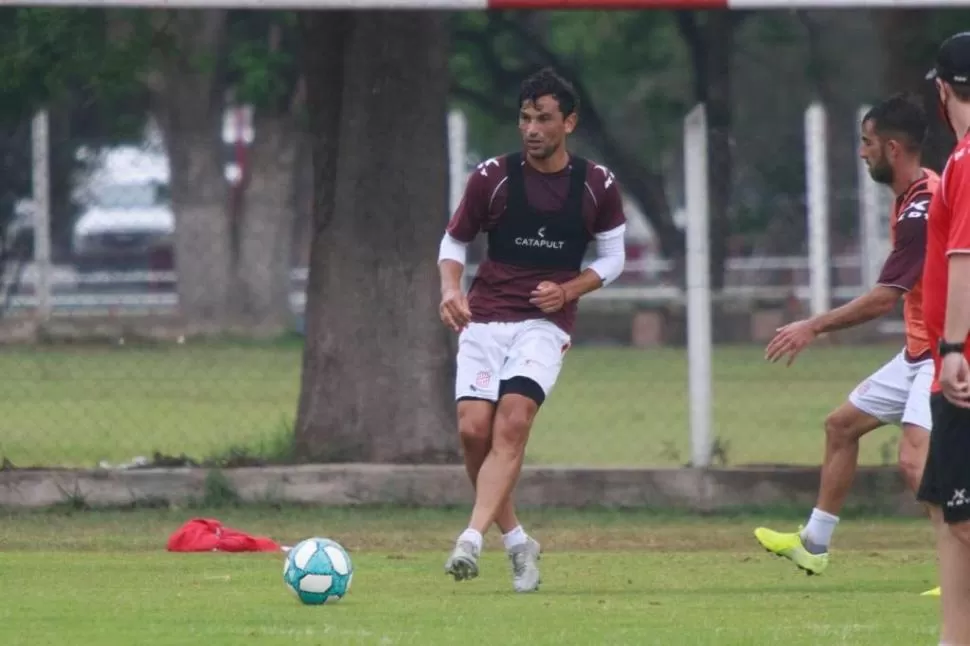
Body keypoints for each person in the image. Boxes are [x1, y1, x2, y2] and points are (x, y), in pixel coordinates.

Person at [436, 67, 626, 593]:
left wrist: (569, 290)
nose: (532, 128)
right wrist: (451, 290)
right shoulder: (492, 177)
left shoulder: (597, 185)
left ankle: (470, 539)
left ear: (569, 121)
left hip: (543, 325)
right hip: (484, 317)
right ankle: (518, 541)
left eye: (544, 118)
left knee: (512, 424)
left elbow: (613, 259)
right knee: (474, 431)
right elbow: (454, 243)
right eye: (525, 118)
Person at [754, 93, 939, 583]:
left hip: (948, 352)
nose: (861, 153)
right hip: (920, 352)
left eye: (867, 143)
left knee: (915, 462)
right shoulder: (913, 195)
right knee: (842, 426)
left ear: (893, 148)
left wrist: (812, 325)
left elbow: (884, 299)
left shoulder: (924, 208)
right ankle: (814, 545)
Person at [918, 30, 970, 645]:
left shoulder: (964, 161)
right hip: (946, 366)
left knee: (963, 521)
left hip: (961, 365)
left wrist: (955, 348)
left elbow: (963, 256)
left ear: (940, 91)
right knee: (945, 510)